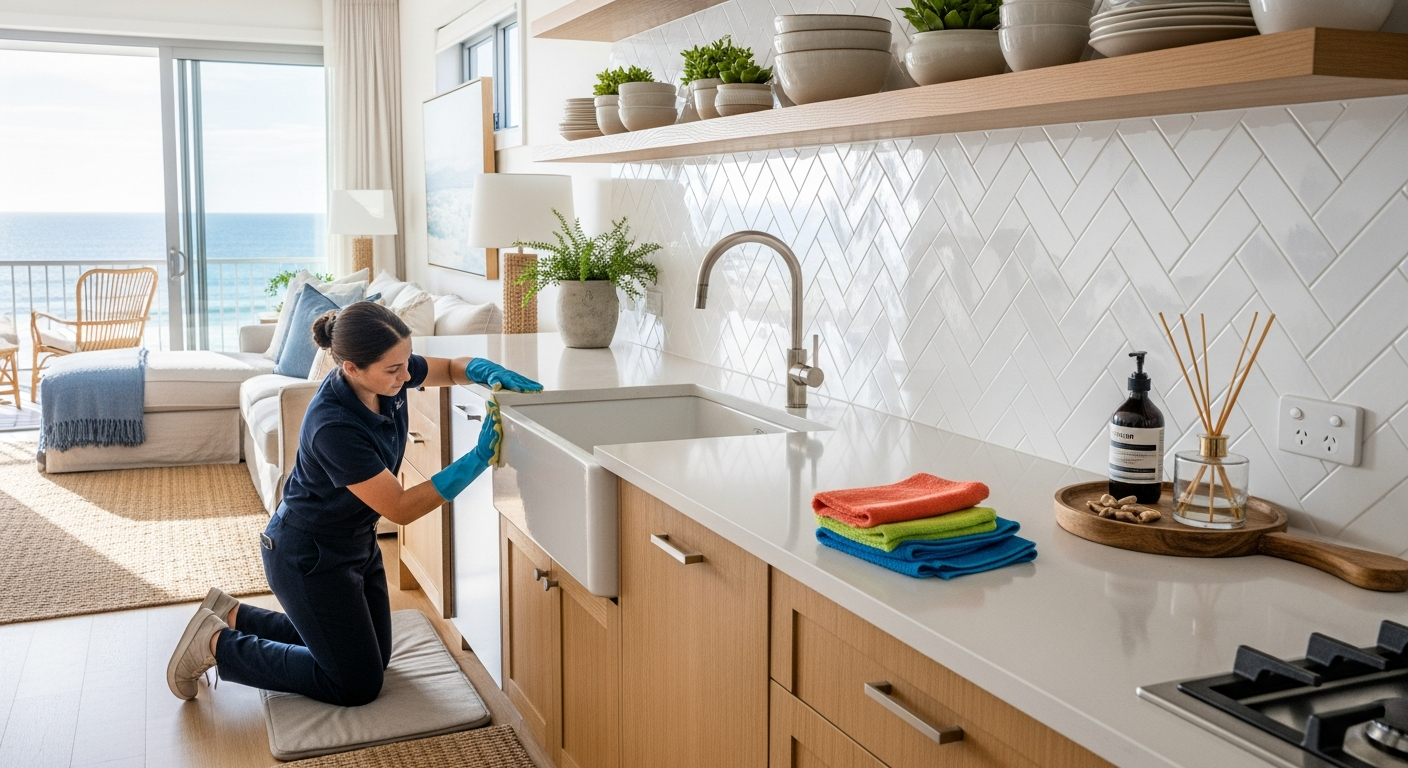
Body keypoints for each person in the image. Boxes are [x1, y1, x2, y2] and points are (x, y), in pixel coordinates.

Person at [164, 301, 540, 705]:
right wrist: (476, 459)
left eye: (405, 362)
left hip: (355, 544)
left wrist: (483, 369)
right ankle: (217, 644)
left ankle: (234, 614)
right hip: (306, 555)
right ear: (351, 369)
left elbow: (448, 369)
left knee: (374, 659)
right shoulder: (334, 425)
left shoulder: (387, 377)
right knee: (356, 684)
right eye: (394, 369)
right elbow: (399, 507)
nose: (406, 374)